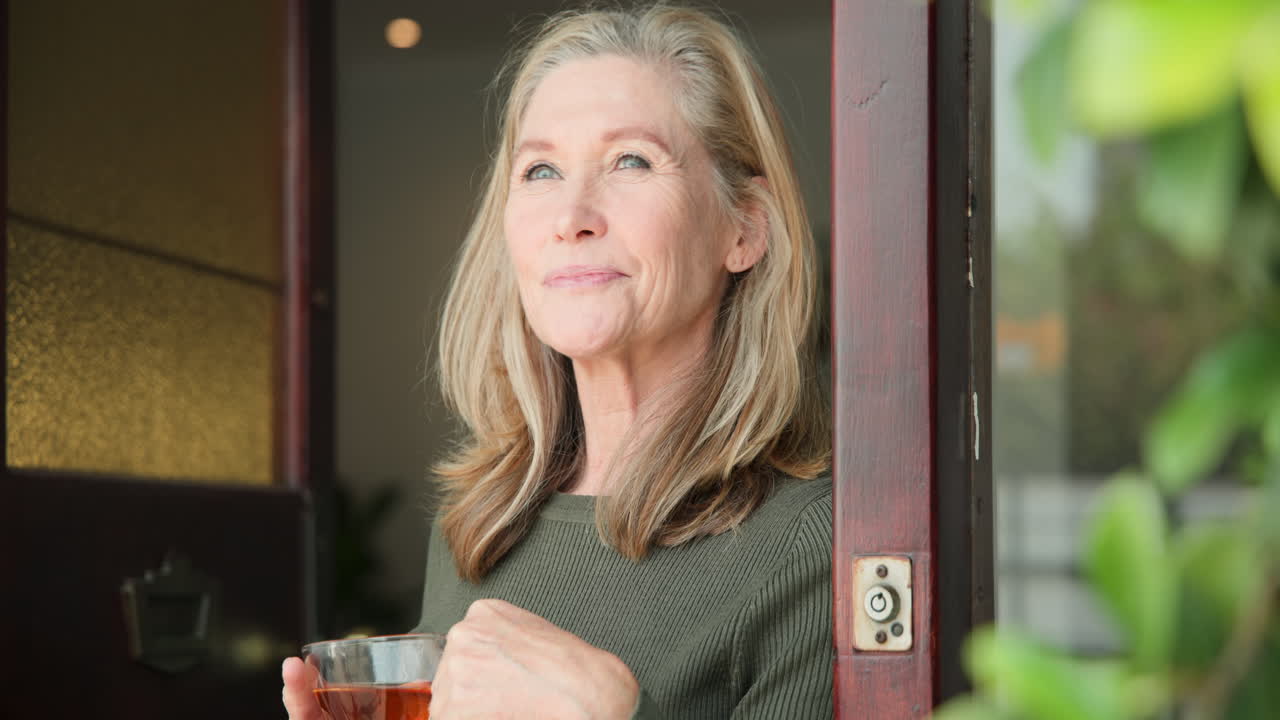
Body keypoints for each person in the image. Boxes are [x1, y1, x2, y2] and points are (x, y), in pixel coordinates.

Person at [283, 3, 832, 717]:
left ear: (744, 228)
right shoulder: (479, 526)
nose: (572, 215)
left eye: (631, 160)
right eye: (540, 170)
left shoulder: (807, 549)